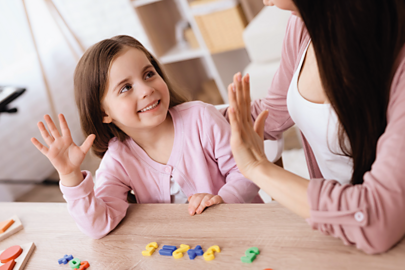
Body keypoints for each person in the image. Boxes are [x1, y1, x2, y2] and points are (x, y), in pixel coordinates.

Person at [31, 35, 261, 239]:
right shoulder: (118, 159)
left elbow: (248, 172)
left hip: (244, 233)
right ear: (104, 113)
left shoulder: (201, 118)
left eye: (149, 74)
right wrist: (70, 176)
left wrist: (223, 200)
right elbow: (98, 226)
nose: (146, 89)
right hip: (185, 251)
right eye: (125, 88)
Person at [227, 0, 405, 254]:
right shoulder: (303, 26)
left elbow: (378, 219)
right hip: (338, 235)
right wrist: (186, 116)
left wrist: (258, 169)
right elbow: (270, 115)